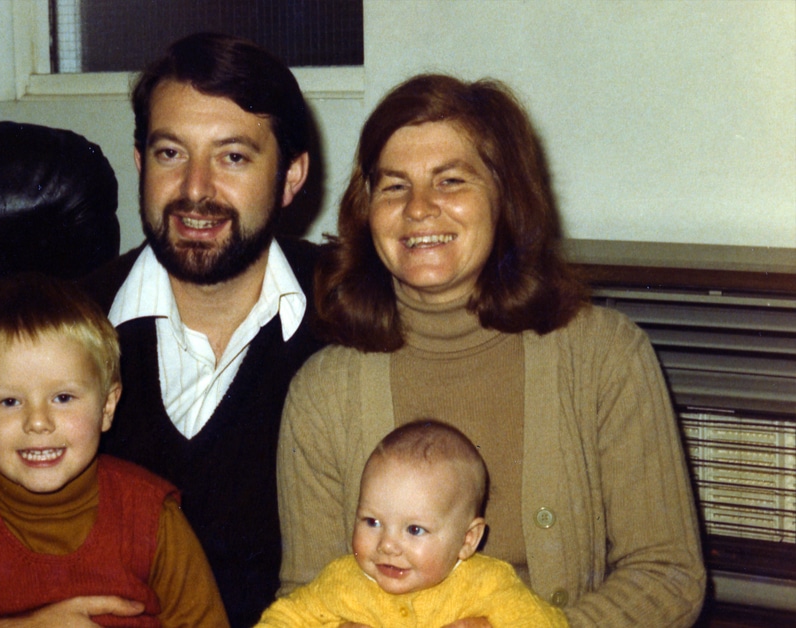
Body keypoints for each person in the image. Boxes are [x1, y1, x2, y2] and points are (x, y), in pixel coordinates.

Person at [0, 32, 322, 628]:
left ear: (291, 177)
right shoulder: (60, 331)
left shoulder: (351, 313)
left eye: (233, 156)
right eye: (170, 154)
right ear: (140, 162)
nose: (195, 190)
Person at [276, 74, 706, 627]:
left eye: (450, 180)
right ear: (367, 210)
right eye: (394, 186)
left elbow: (668, 575)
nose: (419, 208)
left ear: (505, 198)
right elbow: (306, 597)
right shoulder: (322, 391)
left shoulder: (605, 357)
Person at [0, 273, 227, 626]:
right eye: (9, 401)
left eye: (63, 398)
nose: (38, 422)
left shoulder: (153, 518)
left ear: (107, 406)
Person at [258, 421, 567, 628]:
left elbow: (544, 623)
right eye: (372, 521)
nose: (387, 545)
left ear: (467, 539)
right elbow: (284, 618)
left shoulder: (488, 584)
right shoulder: (342, 582)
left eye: (414, 529)